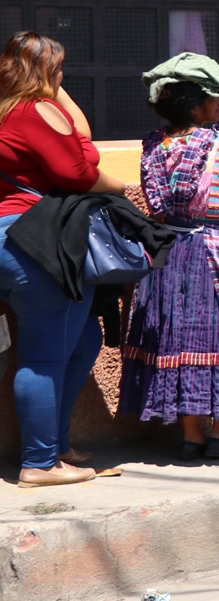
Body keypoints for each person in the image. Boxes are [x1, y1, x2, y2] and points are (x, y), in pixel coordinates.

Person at [119, 55, 219, 462]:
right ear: (196, 106)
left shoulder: (153, 146)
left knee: (178, 337)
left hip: (167, 253)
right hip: (215, 251)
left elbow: (153, 200)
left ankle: (191, 435)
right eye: (214, 98)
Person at [0, 32, 128, 486]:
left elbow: (80, 139)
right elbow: (77, 169)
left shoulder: (10, 110)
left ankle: (55, 445)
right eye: (58, 69)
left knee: (82, 342)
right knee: (43, 357)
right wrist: (115, 186)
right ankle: (39, 463)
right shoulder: (35, 110)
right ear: (46, 71)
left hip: (16, 240)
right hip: (37, 241)